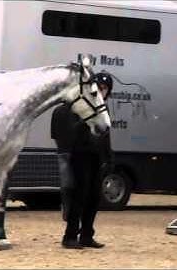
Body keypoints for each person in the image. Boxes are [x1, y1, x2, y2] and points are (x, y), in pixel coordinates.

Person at [51, 72, 114, 249]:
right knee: (79, 195)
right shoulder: (83, 107)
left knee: (94, 197)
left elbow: (106, 135)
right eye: (100, 89)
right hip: (81, 154)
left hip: (96, 156)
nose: (102, 92)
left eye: (105, 89)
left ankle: (87, 233)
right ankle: (70, 235)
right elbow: (70, 133)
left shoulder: (103, 108)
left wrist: (108, 157)